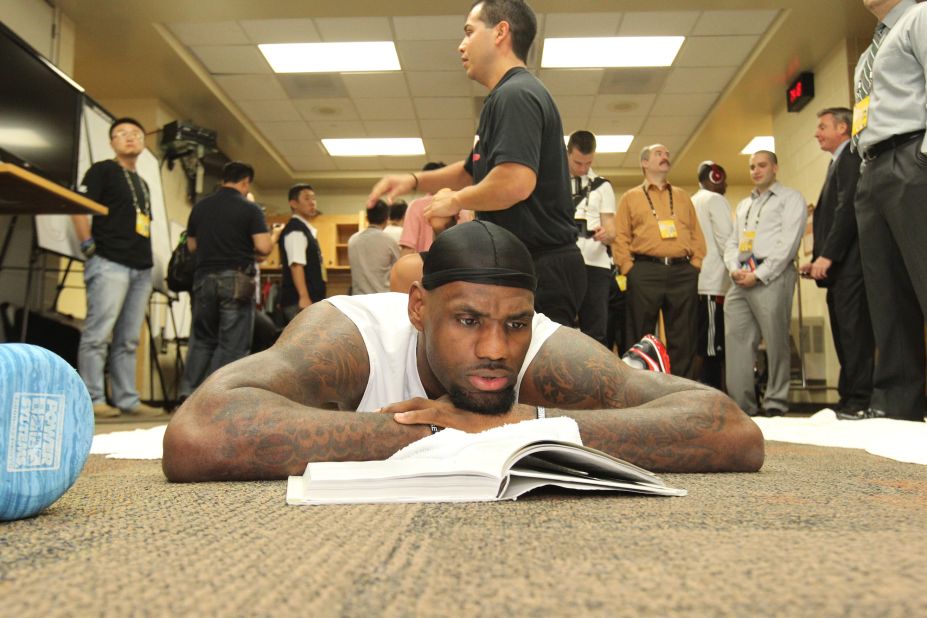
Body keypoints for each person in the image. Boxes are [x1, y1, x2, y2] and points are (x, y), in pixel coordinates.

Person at [162, 221, 764, 482]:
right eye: (468, 320)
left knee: (622, 384)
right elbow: (200, 434)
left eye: (514, 323)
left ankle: (635, 366)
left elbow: (731, 432)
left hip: (568, 384)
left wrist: (527, 426)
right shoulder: (346, 334)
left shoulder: (538, 348)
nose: (496, 349)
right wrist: (444, 432)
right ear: (419, 307)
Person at [367, 0, 585, 327]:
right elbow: (469, 172)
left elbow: (515, 182)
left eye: (469, 32)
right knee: (407, 273)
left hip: (542, 264)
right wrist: (412, 181)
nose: (461, 45)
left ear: (500, 32)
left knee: (538, 375)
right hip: (513, 259)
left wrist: (454, 200)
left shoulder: (517, 94)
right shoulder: (501, 98)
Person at [850, 0, 927, 422]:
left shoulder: (921, 17)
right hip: (873, 167)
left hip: (911, 159)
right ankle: (898, 404)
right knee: (886, 295)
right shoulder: (869, 51)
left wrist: (922, 159)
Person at [71, 117, 163, 419]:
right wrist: (88, 246)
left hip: (140, 268)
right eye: (121, 134)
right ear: (112, 142)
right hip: (109, 261)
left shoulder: (142, 183)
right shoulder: (102, 170)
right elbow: (79, 207)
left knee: (129, 338)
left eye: (136, 133)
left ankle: (127, 399)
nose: (129, 138)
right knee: (98, 334)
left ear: (143, 141)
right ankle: (93, 398)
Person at [799, 108, 874, 419]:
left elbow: (847, 212)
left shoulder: (850, 158)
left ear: (843, 127)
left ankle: (860, 399)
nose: (817, 133)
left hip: (850, 266)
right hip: (838, 268)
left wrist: (828, 255)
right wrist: (816, 258)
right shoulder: (837, 162)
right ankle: (849, 397)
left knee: (854, 333)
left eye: (823, 127)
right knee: (844, 333)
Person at [723, 151, 806, 417]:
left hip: (772, 277)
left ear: (775, 168)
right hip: (740, 279)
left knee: (776, 340)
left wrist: (760, 274)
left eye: (762, 165)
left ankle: (775, 403)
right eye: (752, 167)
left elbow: (789, 242)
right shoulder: (745, 205)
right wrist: (734, 269)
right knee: (735, 342)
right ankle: (742, 407)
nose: (756, 171)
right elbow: (732, 243)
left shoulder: (790, 199)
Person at [613, 144, 706, 379]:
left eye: (667, 153)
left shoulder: (683, 196)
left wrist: (695, 264)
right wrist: (629, 269)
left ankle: (681, 392)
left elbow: (696, 233)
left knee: (683, 336)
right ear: (645, 163)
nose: (665, 157)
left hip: (682, 271)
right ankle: (638, 388)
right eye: (659, 154)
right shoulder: (630, 198)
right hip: (645, 270)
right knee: (639, 333)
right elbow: (620, 237)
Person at [180, 161, 273, 394]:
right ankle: (217, 397)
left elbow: (192, 246)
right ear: (245, 182)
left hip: (203, 280)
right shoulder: (249, 209)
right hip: (236, 280)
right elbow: (263, 246)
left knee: (201, 340)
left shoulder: (201, 207)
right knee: (233, 344)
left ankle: (187, 396)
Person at [568, 130, 616, 347]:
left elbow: (612, 230)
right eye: (578, 162)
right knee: (559, 326)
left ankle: (596, 380)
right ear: (568, 154)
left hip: (596, 263)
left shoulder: (602, 186)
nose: (583, 168)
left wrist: (606, 234)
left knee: (596, 330)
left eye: (588, 163)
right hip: (565, 261)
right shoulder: (553, 183)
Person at [691, 161, 733, 390]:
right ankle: (710, 393)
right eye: (722, 178)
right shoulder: (715, 200)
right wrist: (738, 270)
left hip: (699, 281)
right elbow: (727, 240)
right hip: (714, 283)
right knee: (711, 346)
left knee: (702, 342)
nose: (725, 184)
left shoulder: (693, 200)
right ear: (714, 177)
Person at [278, 183, 326, 325]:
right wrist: (303, 297)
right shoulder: (295, 230)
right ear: (293, 203)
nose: (312, 202)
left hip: (309, 300)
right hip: (299, 302)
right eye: (306, 198)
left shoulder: (305, 229)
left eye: (313, 198)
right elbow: (296, 265)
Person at [348, 200, 400, 294]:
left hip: (358, 300)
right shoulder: (389, 241)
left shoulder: (352, 240)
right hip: (381, 300)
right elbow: (399, 269)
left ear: (367, 218)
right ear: (386, 219)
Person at [399, 162, 445, 256]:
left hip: (426, 266)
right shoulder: (462, 209)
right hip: (457, 266)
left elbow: (408, 248)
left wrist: (399, 269)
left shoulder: (416, 206)